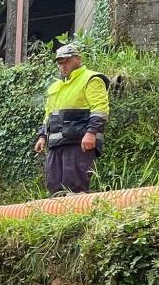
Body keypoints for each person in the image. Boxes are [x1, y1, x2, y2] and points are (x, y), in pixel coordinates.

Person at [34, 44, 110, 195]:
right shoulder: (55, 87)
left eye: (66, 61)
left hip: (79, 142)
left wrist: (91, 133)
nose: (63, 66)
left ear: (78, 59)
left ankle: (79, 215)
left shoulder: (91, 79)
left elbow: (100, 110)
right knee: (54, 187)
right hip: (56, 144)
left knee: (75, 187)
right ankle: (58, 216)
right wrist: (42, 136)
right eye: (60, 62)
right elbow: (48, 114)